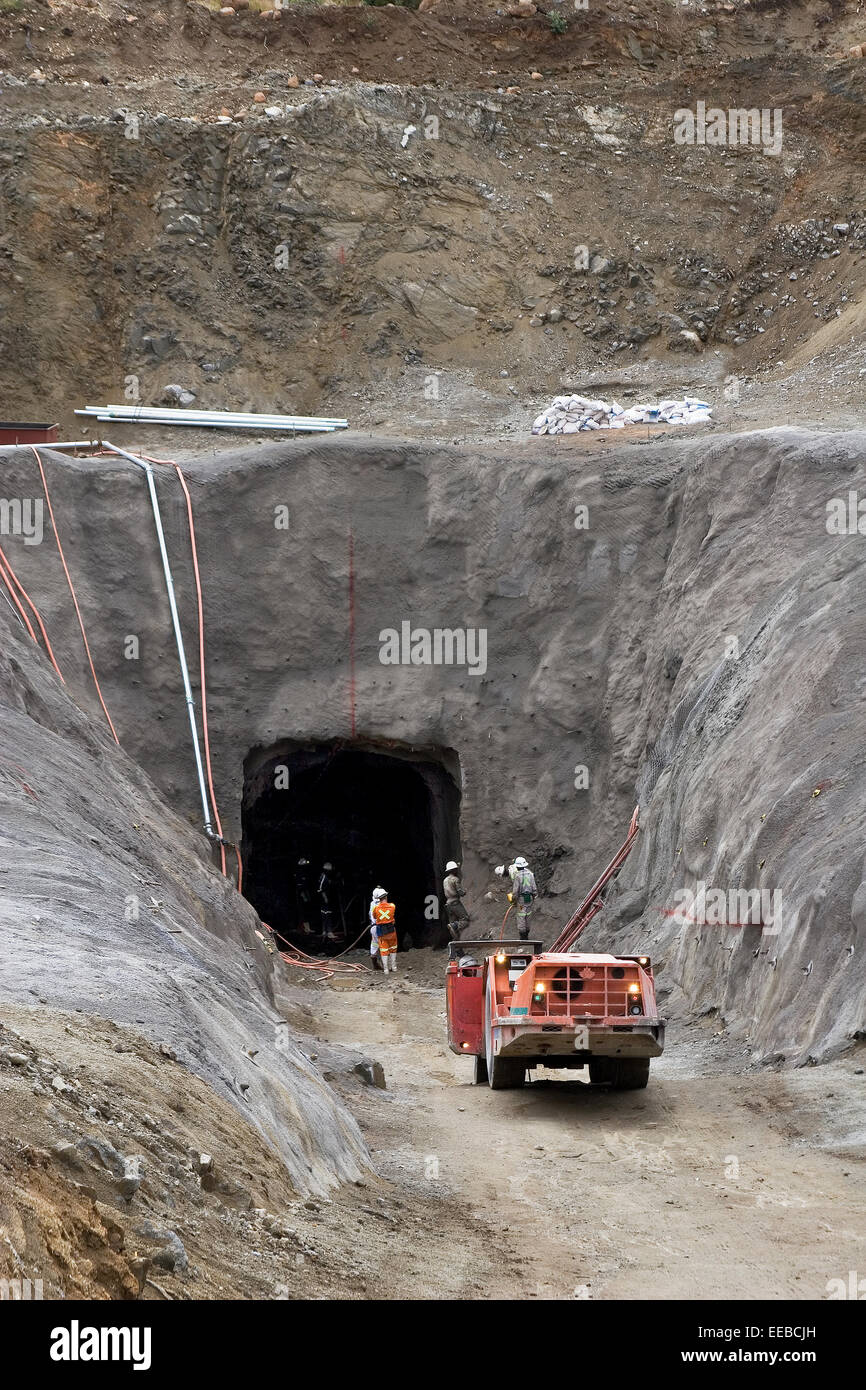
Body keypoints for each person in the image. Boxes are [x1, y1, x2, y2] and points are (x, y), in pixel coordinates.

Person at [495, 855, 538, 940]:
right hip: (529, 897)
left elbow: (516, 890)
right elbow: (534, 887)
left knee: (521, 915)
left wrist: (514, 899)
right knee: (528, 914)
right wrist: (534, 895)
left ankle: (523, 937)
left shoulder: (517, 875)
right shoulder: (530, 873)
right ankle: (527, 933)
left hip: (521, 898)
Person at [370, 888, 398, 975]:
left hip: (379, 930)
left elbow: (374, 917)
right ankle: (393, 967)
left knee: (382, 949)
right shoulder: (392, 906)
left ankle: (384, 968)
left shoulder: (374, 906)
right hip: (390, 930)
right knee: (392, 948)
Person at [442, 860, 470, 939]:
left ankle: (457, 950)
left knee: (454, 931)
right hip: (455, 903)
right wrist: (465, 892)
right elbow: (460, 892)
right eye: (456, 869)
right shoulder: (455, 879)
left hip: (448, 905)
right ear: (454, 870)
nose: (457, 870)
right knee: (465, 920)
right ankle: (454, 925)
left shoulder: (445, 880)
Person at [318, 862, 341, 942]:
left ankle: (325, 931)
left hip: (326, 898)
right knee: (327, 915)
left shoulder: (326, 877)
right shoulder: (323, 877)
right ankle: (329, 932)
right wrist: (325, 897)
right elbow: (320, 888)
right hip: (324, 899)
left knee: (325, 914)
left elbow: (329, 883)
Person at [295, 857, 314, 935]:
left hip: (305, 893)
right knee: (303, 912)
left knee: (306, 912)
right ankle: (304, 929)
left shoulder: (304, 873)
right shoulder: (299, 873)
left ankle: (307, 928)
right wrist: (303, 895)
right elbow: (299, 885)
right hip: (301, 895)